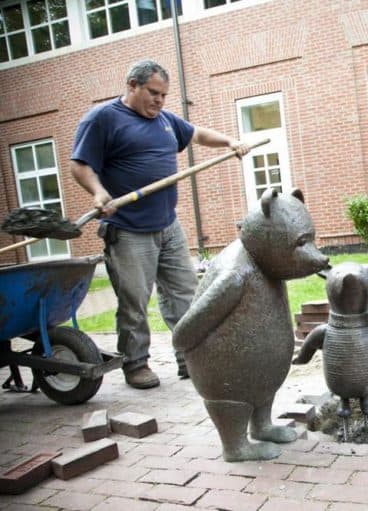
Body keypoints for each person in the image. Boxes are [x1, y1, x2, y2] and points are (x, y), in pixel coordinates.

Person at [70, 59, 251, 389]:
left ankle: (190, 358)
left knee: (186, 295)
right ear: (132, 85)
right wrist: (98, 192)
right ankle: (136, 363)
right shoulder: (103, 119)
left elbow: (197, 134)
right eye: (153, 93)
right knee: (134, 303)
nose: (159, 101)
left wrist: (229, 142)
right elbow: (80, 165)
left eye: (164, 95)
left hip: (168, 224)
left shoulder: (166, 121)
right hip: (127, 229)